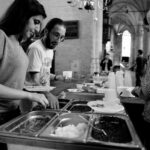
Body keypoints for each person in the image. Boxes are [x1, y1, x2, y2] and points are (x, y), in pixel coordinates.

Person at [0, 0, 51, 125]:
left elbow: (13, 82)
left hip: (13, 112)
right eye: (36, 22)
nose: (38, 29)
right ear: (22, 16)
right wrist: (29, 96)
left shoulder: (18, 45)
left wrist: (39, 91)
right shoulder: (1, 36)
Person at [23, 18, 66, 112]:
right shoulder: (36, 48)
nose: (58, 40)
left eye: (62, 37)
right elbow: (34, 79)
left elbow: (43, 73)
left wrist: (55, 77)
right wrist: (49, 95)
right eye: (56, 35)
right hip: (32, 100)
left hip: (42, 97)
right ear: (46, 31)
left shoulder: (50, 50)